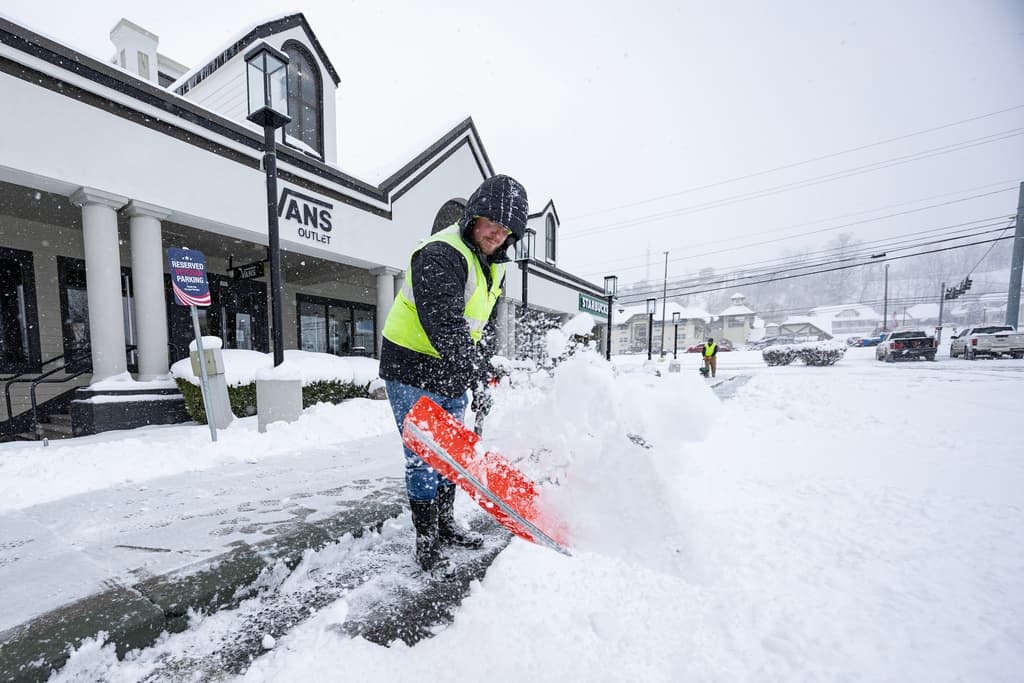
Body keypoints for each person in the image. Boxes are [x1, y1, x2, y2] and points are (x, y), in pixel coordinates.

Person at [379, 174, 528, 571]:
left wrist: (480, 371)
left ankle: (445, 523)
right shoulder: (440, 253)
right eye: (491, 222)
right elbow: (445, 324)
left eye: (506, 228)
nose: (498, 233)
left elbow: (475, 327)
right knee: (423, 455)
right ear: (473, 217)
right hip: (410, 365)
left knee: (452, 457)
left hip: (449, 366)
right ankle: (426, 541)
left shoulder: (494, 267)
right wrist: (476, 375)